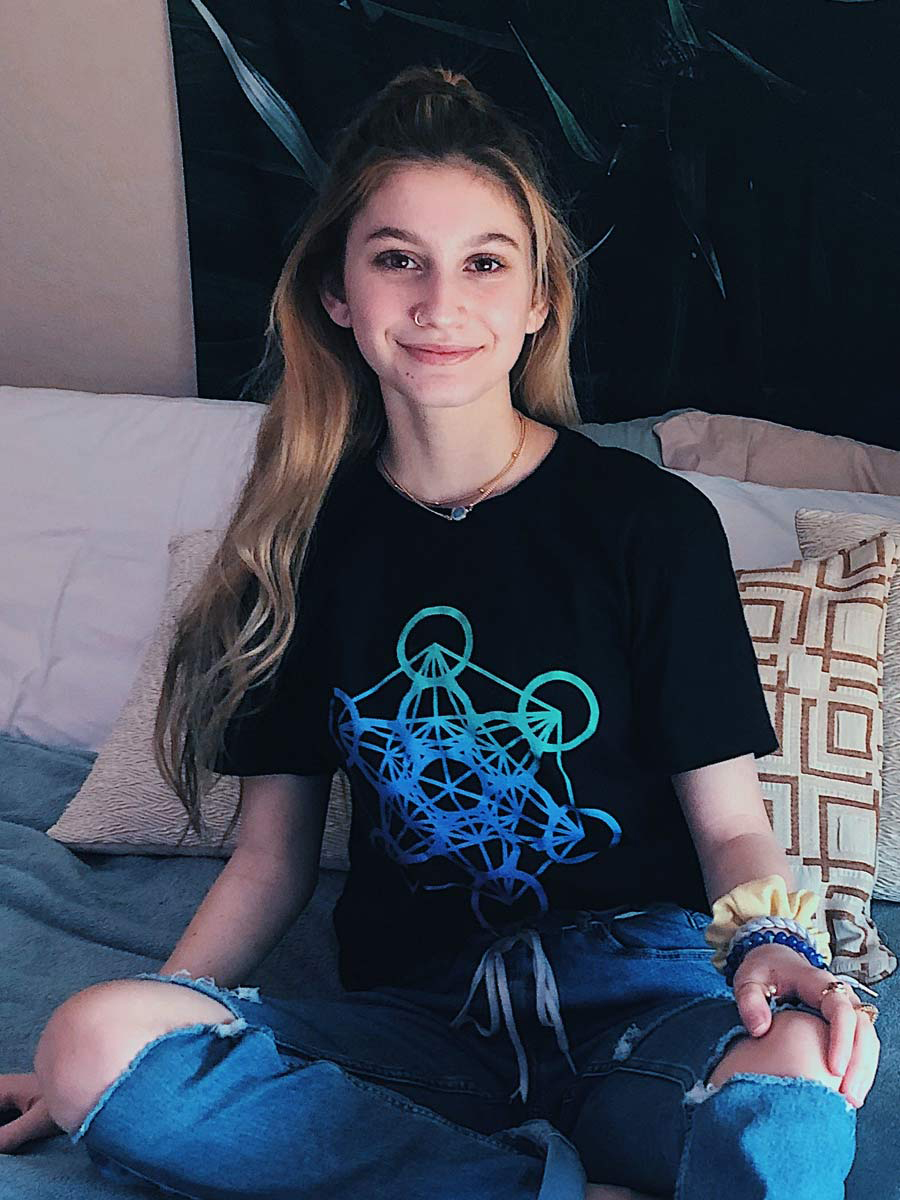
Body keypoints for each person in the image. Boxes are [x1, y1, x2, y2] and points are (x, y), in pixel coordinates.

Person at [0, 65, 881, 1199]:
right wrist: (169, 1021)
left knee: (798, 1086)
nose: (439, 303)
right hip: (421, 1029)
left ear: (538, 301)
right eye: (397, 259)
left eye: (485, 263)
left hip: (645, 1004)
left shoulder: (649, 522)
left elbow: (732, 825)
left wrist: (780, 947)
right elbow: (270, 861)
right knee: (91, 1042)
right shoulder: (298, 543)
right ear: (338, 293)